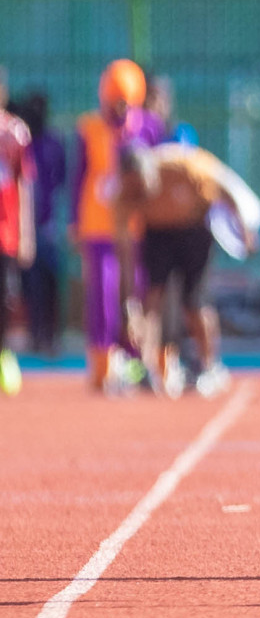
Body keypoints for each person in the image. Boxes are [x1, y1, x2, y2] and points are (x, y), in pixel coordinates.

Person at [114, 144, 260, 397]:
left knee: (194, 301)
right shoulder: (124, 196)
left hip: (194, 229)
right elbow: (125, 254)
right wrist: (129, 302)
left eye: (142, 183)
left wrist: (245, 231)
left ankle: (210, 366)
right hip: (157, 234)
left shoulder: (185, 166)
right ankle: (149, 368)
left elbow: (226, 189)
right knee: (151, 298)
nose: (141, 190)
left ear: (151, 171)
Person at [72, 59, 160, 392]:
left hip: (136, 226)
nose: (118, 108)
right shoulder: (89, 127)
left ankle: (138, 361)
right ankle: (102, 366)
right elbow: (78, 174)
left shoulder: (149, 126)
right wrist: (74, 222)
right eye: (113, 100)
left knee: (136, 293)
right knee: (103, 297)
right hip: (98, 225)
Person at [15, 92, 65, 357]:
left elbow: (60, 182)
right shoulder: (22, 142)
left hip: (48, 226)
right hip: (24, 226)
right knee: (29, 283)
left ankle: (50, 335)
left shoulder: (54, 143)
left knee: (50, 282)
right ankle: (35, 334)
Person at [0, 68, 35, 379]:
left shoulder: (14, 132)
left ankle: (3, 352)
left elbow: (24, 184)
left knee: (6, 295)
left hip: (5, 230)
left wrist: (27, 234)